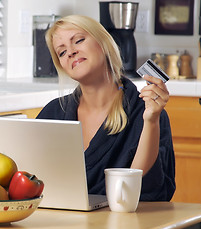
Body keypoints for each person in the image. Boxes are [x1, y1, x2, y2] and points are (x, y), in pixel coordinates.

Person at [36, 15, 175, 201]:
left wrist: (150, 120)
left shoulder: (144, 113)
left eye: (78, 40)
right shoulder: (53, 113)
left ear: (103, 43)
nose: (70, 52)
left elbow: (136, 186)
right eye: (61, 52)